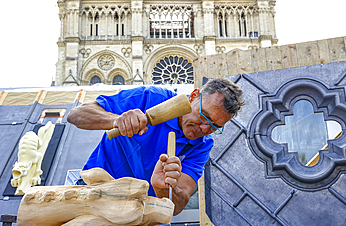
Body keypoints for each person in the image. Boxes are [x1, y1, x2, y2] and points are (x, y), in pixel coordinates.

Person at [67, 78, 244, 215]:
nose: (205, 128)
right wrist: (116, 120)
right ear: (193, 96)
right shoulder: (151, 98)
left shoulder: (202, 146)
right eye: (204, 116)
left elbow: (178, 206)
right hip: (93, 196)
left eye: (215, 127)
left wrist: (165, 188)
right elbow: (76, 115)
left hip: (139, 213)